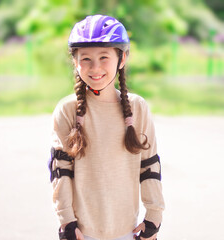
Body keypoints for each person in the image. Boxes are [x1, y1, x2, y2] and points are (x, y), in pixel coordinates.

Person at [48, 15, 165, 240]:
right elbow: (60, 171)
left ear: (122, 59)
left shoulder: (137, 108)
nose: (96, 68)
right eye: (86, 59)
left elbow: (149, 165)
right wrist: (66, 221)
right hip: (81, 231)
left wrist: (154, 216)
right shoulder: (67, 109)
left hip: (127, 230)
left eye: (104, 57)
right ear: (75, 61)